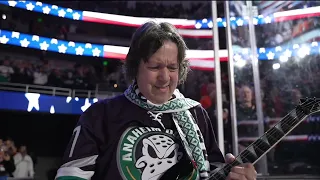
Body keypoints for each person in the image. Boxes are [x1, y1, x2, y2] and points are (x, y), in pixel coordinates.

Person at [55, 21, 257, 180]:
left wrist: (237, 176)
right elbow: (72, 176)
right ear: (135, 67)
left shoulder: (197, 114)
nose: (165, 77)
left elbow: (214, 172)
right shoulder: (100, 115)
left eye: (172, 68)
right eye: (154, 67)